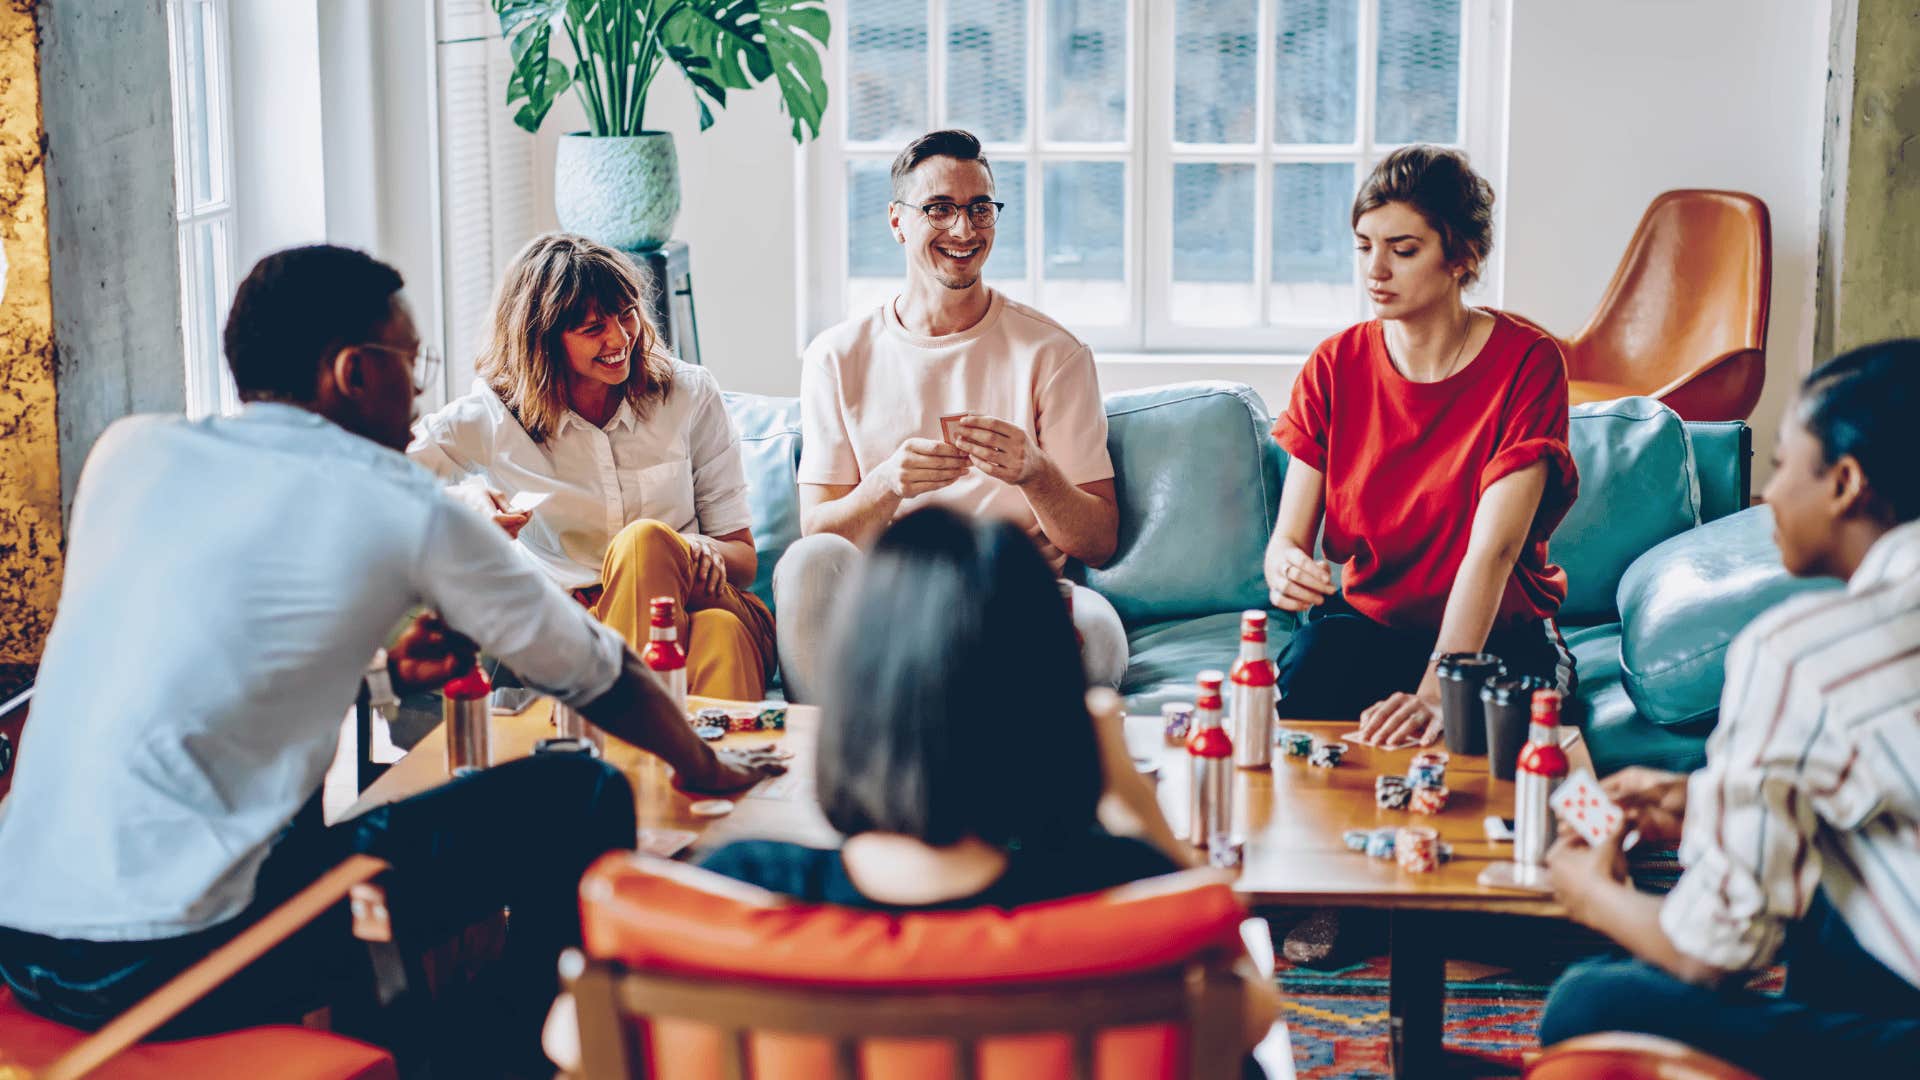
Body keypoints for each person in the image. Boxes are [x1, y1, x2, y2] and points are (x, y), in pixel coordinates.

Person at [0, 246, 782, 1072]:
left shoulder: (131, 450)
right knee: (578, 790)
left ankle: (426, 1036)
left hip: (22, 931)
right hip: (175, 962)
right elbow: (597, 670)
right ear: (351, 372)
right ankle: (532, 1057)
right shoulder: (394, 498)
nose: (418, 388)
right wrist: (708, 766)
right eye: (411, 361)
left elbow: (210, 653)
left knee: (317, 825)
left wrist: (380, 675)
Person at [694, 508, 1277, 1073]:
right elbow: (1251, 1017)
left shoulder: (739, 892)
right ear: (1051, 700)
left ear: (851, 693)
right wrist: (1135, 801)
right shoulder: (1124, 890)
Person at [1538, 342, 1920, 1077]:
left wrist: (1590, 896)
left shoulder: (1801, 652)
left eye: (1782, 465)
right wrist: (1702, 799)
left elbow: (1714, 957)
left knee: (1586, 1006)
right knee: (1833, 885)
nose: (1768, 494)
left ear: (1846, 483)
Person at [774, 129, 1128, 702]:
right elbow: (818, 535)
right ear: (897, 221)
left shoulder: (1054, 354)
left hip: (1015, 595)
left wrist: (1036, 473)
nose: (963, 230)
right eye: (939, 209)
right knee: (807, 564)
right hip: (886, 598)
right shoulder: (836, 357)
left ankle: (1033, 782)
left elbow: (1099, 541)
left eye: (979, 209)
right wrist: (887, 484)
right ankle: (837, 767)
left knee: (1100, 634)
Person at [1264, 144, 1578, 747]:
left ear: (1462, 257)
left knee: (1487, 740)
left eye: (1403, 250)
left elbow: (1494, 549)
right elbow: (1288, 540)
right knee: (1304, 706)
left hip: (1499, 635)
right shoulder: (1334, 365)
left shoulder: (1529, 363)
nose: (1375, 270)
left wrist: (1442, 688)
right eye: (1364, 246)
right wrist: (1285, 569)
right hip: (1369, 624)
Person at [409, 234, 776, 701]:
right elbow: (385, 480)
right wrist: (465, 502)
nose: (620, 339)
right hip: (581, 630)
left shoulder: (688, 394)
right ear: (541, 339)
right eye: (592, 328)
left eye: (627, 314)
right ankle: (700, 769)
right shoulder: (496, 415)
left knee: (645, 543)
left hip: (704, 594)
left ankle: (610, 746)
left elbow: (742, 561)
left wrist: (689, 551)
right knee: (719, 637)